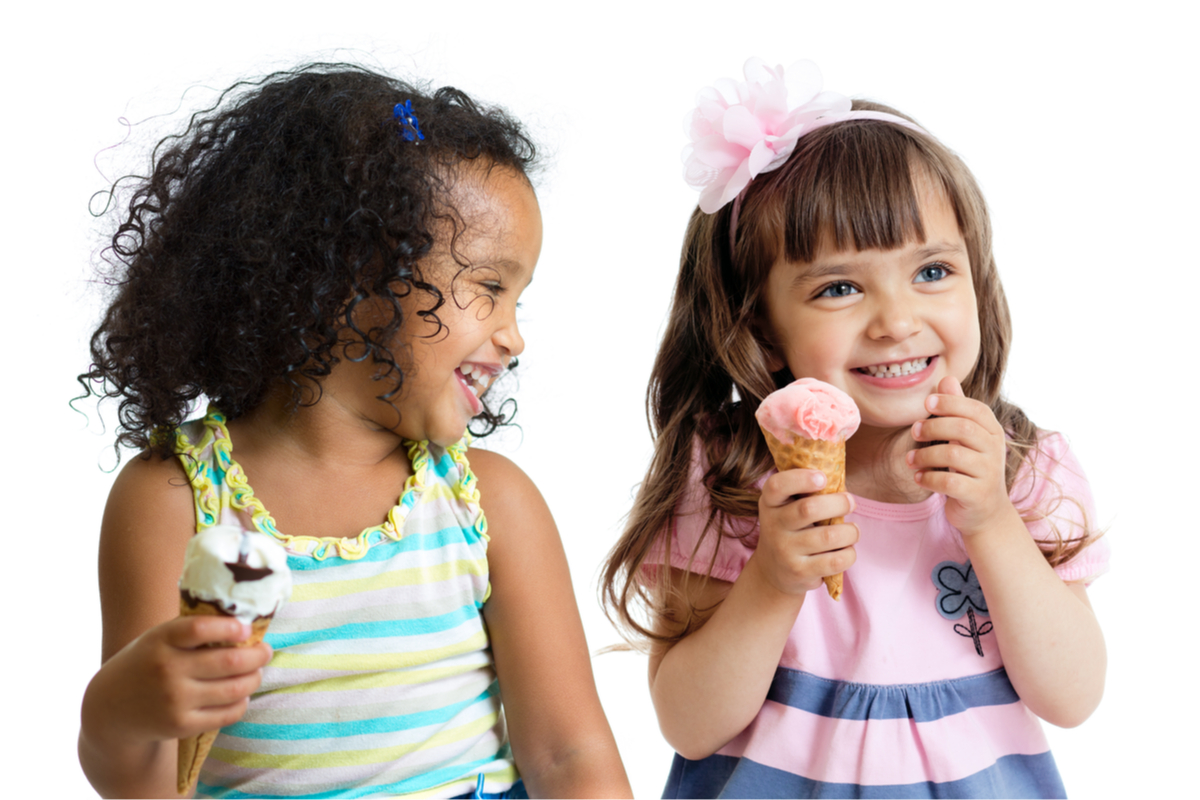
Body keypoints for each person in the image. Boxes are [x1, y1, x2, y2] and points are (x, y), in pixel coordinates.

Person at [77, 63, 631, 799]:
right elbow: (144, 789)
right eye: (492, 289)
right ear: (355, 274)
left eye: (517, 299)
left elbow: (568, 753)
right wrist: (121, 712)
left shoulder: (485, 501)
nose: (513, 336)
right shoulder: (173, 497)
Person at [601, 58, 1108, 799]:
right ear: (763, 328)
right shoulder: (733, 475)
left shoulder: (1022, 467)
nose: (898, 322)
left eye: (932, 271)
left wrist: (993, 522)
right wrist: (773, 580)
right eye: (839, 287)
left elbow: (1073, 696)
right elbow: (689, 723)